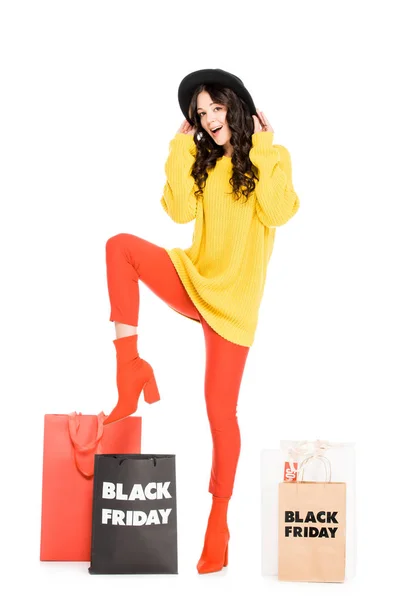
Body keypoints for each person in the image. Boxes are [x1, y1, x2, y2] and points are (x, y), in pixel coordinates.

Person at [103, 68, 300, 574]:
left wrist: (265, 146)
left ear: (236, 107)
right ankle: (131, 369)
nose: (210, 119)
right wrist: (178, 150)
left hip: (233, 307)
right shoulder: (204, 164)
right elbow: (177, 212)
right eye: (201, 113)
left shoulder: (267, 161)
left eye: (216, 108)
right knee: (120, 247)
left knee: (219, 413)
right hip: (195, 279)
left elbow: (278, 212)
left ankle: (218, 521)